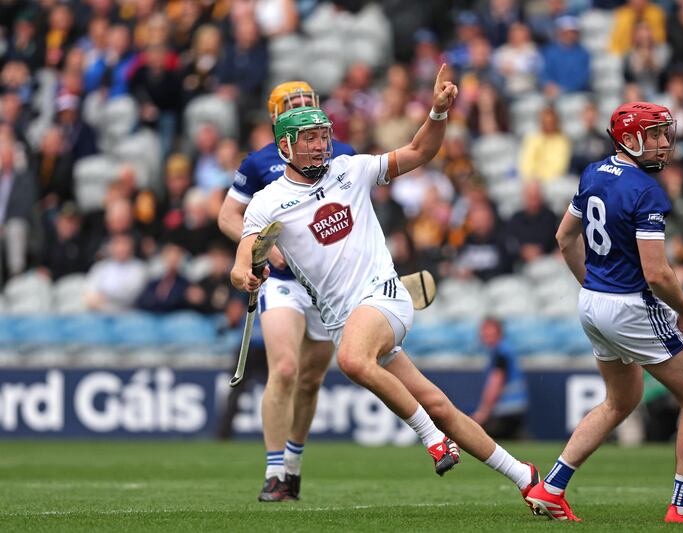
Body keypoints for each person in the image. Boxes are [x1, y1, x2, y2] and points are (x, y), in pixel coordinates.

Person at [231, 66, 541, 515]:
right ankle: (525, 476)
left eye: (323, 135)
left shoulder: (351, 170)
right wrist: (247, 276)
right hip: (345, 321)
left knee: (353, 360)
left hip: (385, 298)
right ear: (285, 146)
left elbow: (419, 151)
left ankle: (433, 441)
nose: (321, 145)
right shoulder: (266, 202)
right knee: (436, 402)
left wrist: (436, 112)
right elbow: (243, 261)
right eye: (310, 139)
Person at [530, 101, 683, 522]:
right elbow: (658, 274)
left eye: (665, 133)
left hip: (592, 303)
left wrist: (593, 286)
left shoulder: (593, 172)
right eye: (655, 135)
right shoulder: (648, 191)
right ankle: (680, 507)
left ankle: (551, 487)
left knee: (620, 399)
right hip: (630, 306)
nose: (665, 143)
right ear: (630, 139)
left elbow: (563, 238)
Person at [217, 81, 356, 502]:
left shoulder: (342, 154)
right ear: (276, 116)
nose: (302, 110)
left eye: (307, 103)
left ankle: (293, 466)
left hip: (325, 288)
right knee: (286, 369)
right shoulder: (260, 162)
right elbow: (228, 216)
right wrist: (259, 249)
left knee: (312, 380)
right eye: (292, 105)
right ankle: (274, 470)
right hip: (282, 285)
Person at [471, 317, 527, 439]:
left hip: (506, 411)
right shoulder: (505, 348)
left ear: (499, 331)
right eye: (483, 330)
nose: (485, 334)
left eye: (489, 330)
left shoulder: (500, 351)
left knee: (479, 440)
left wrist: (483, 412)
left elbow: (496, 382)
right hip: (516, 408)